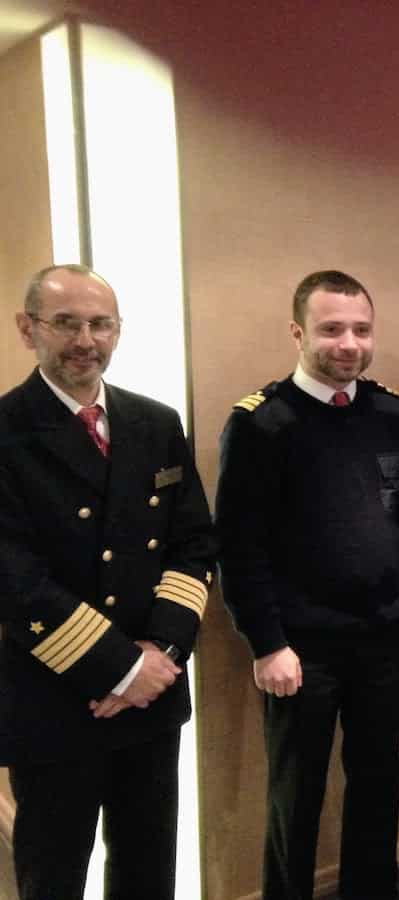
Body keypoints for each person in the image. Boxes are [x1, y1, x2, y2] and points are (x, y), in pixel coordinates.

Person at [216, 270, 399, 900]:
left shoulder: (391, 411)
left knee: (377, 782)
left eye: (361, 329)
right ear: (298, 332)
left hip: (382, 638)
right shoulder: (262, 423)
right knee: (297, 794)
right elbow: (238, 547)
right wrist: (266, 643)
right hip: (300, 649)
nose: (348, 343)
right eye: (331, 329)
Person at [0, 264, 216, 900]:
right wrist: (119, 669)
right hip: (57, 697)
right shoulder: (6, 432)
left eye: (100, 324)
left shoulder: (155, 421)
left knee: (149, 867)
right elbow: (13, 576)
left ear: (119, 331)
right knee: (54, 871)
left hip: (152, 695)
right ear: (27, 328)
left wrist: (161, 654)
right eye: (66, 323)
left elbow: (194, 542)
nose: (85, 340)